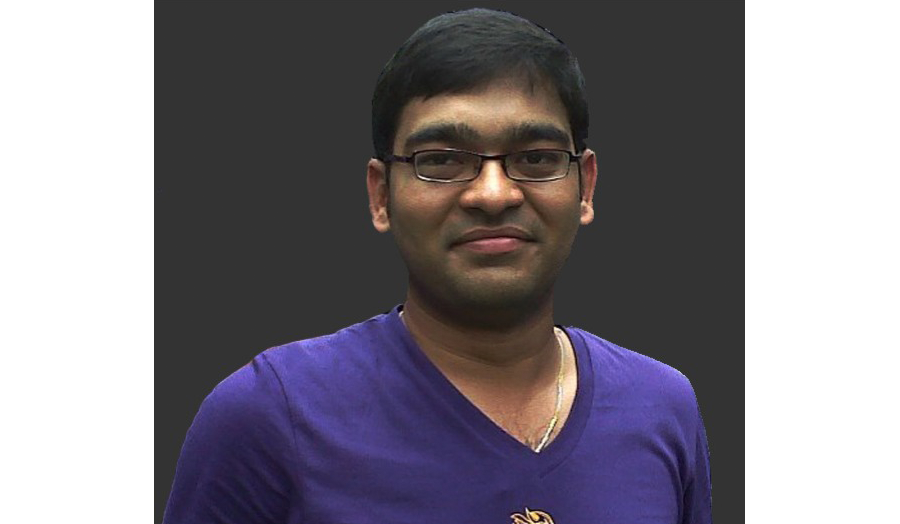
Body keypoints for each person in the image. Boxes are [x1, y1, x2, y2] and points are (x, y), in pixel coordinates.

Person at [163, 8, 712, 524]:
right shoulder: (271, 414)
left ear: (585, 187)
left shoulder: (661, 407)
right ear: (381, 195)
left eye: (536, 158)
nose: (493, 194)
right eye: (443, 161)